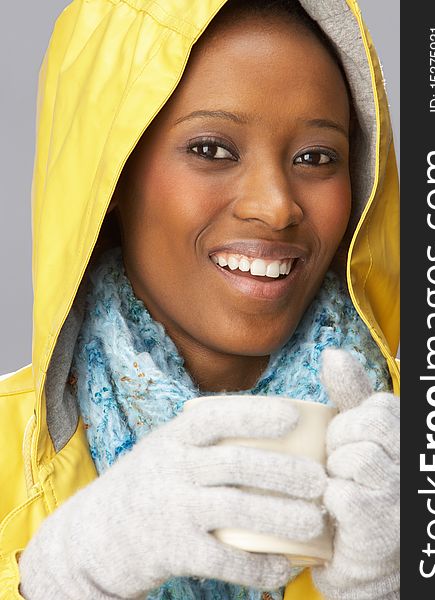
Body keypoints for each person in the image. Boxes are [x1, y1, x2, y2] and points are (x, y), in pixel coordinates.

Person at [0, 0, 400, 598]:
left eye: (316, 158)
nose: (275, 204)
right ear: (112, 176)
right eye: (212, 149)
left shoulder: (421, 461)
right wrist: (59, 580)